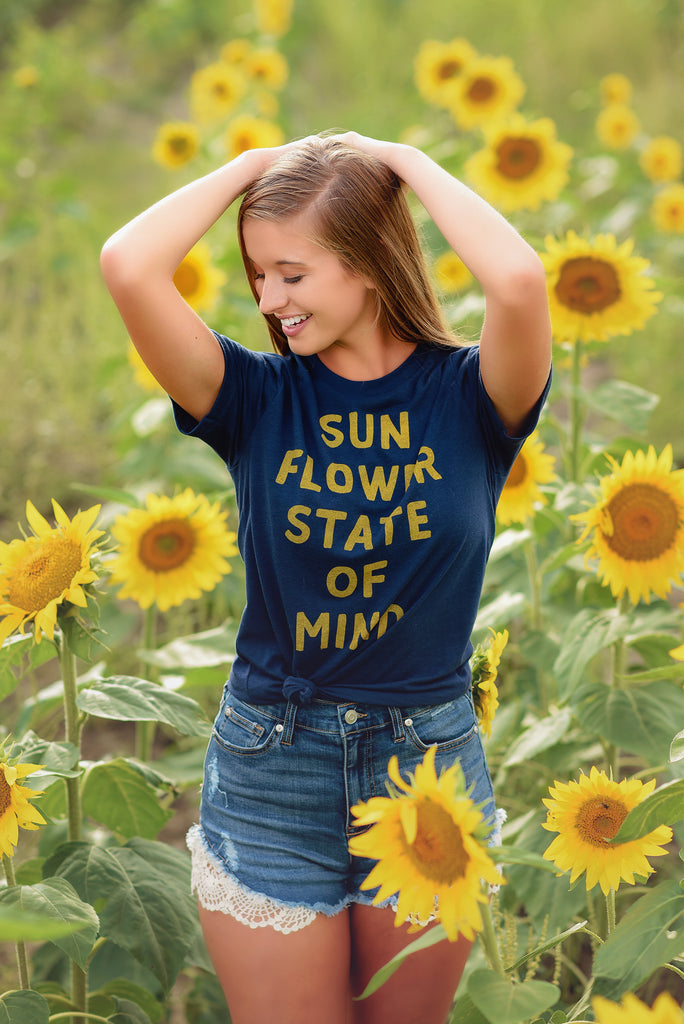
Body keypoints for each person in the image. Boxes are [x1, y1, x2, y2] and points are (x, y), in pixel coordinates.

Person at [100, 131, 552, 1024]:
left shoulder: (474, 398)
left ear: (370, 265)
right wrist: (257, 163)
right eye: (258, 273)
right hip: (274, 764)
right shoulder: (253, 398)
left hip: (427, 769)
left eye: (292, 273)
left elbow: (519, 283)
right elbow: (128, 264)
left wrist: (402, 161)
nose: (269, 299)